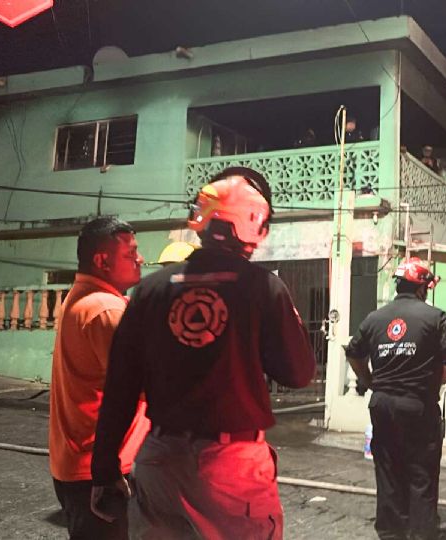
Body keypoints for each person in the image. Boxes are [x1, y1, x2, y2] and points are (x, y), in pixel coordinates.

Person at [90, 167, 316, 539]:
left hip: (160, 458)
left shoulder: (151, 290)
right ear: (252, 225)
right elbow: (298, 373)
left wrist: (104, 470)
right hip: (232, 467)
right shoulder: (264, 288)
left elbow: (120, 388)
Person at [345, 257, 446, 540]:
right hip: (418, 407)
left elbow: (353, 353)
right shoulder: (435, 317)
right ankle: (422, 533)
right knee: (421, 476)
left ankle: (390, 534)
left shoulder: (374, 318)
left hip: (382, 405)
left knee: (388, 472)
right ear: (422, 287)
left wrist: (370, 381)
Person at [48, 217, 150, 540]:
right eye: (131, 252)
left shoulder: (81, 298)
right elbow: (150, 386)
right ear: (102, 261)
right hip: (103, 472)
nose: (140, 259)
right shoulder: (105, 312)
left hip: (75, 465)